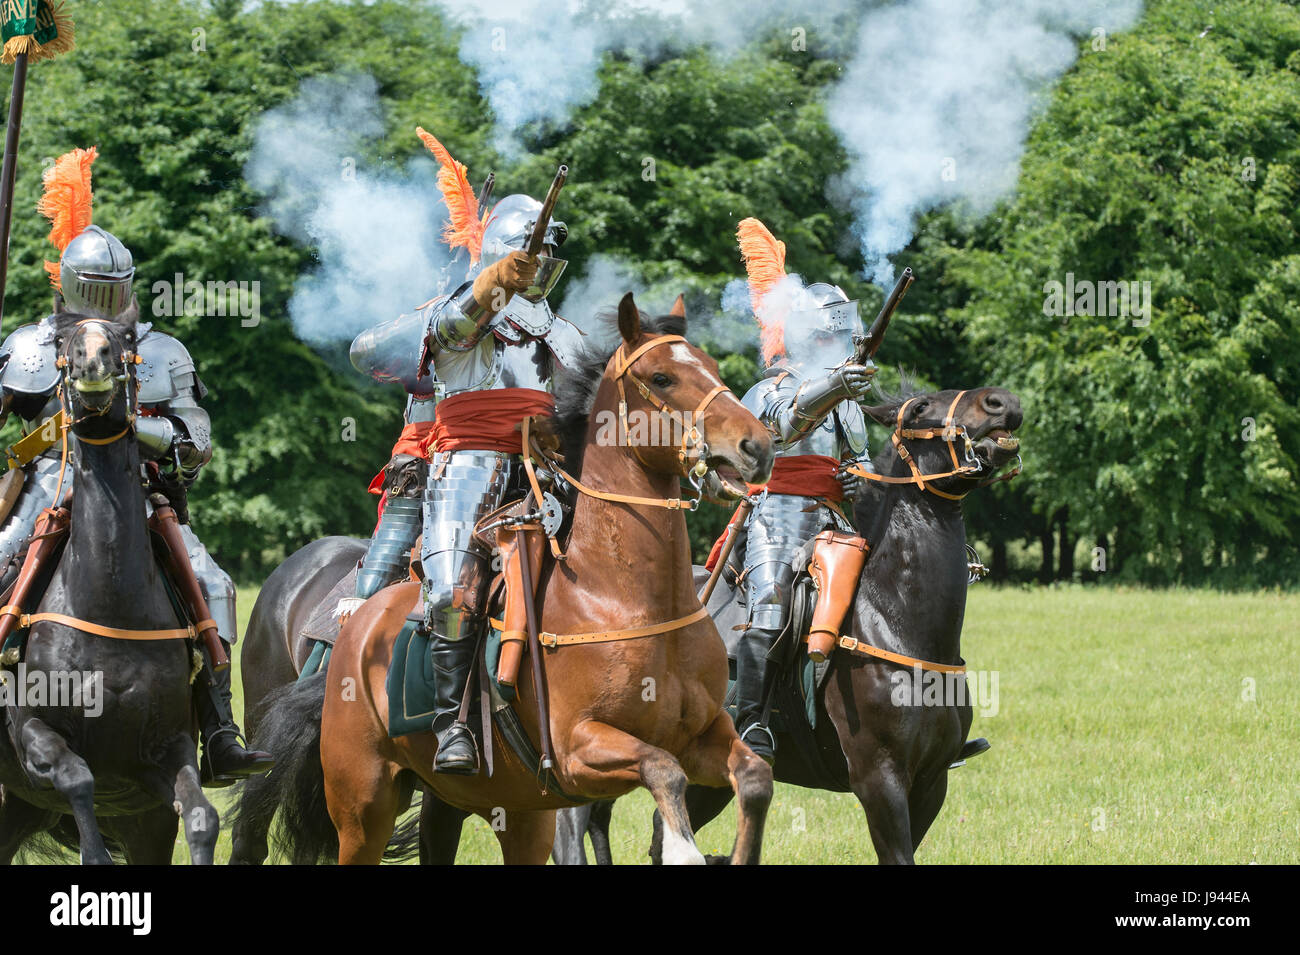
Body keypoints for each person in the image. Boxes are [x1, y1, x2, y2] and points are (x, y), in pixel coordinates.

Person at [0, 147, 271, 785]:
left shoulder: (159, 350)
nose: (100, 303)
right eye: (90, 290)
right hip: (45, 487)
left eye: (111, 292)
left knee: (218, 585)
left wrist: (133, 429)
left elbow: (196, 438)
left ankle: (218, 727)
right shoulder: (29, 345)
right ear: (66, 285)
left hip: (138, 496)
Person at [349, 129, 581, 774]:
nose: (538, 266)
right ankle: (452, 726)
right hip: (468, 465)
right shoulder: (461, 316)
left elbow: (598, 402)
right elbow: (397, 345)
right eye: (525, 256)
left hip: (551, 473)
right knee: (452, 591)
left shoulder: (563, 331)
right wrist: (489, 288)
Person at [729, 217, 876, 763]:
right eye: (827, 335)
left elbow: (859, 464)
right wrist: (836, 386)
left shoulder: (850, 402)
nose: (836, 345)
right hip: (776, 516)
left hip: (836, 521)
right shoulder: (766, 389)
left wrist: (857, 479)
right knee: (770, 607)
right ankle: (752, 723)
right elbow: (783, 428)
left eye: (840, 335)